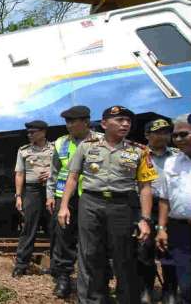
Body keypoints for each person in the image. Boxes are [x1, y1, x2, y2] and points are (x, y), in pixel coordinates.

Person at [58, 105, 156, 303]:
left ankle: (126, 299)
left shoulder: (140, 151)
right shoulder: (87, 146)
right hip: (91, 202)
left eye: (128, 121)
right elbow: (73, 177)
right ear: (104, 124)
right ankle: (92, 300)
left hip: (122, 205)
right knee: (90, 253)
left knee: (124, 255)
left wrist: (145, 219)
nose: (125, 124)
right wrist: (64, 206)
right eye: (119, 120)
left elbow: (145, 187)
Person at [46, 105, 102, 298]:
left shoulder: (101, 141)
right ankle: (63, 278)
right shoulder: (60, 142)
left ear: (86, 122)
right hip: (65, 197)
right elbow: (53, 172)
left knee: (95, 239)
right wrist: (50, 195)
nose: (68, 125)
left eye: (72, 121)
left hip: (92, 195)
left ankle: (95, 280)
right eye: (66, 122)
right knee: (63, 237)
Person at [139, 118, 178, 304]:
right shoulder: (139, 154)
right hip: (145, 207)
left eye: (166, 132)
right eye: (158, 132)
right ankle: (146, 288)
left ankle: (169, 290)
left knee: (169, 250)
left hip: (171, 207)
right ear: (147, 135)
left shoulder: (178, 155)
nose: (163, 136)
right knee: (144, 250)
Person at [155, 113, 191, 304]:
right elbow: (164, 199)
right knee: (186, 284)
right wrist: (161, 228)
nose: (178, 139)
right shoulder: (172, 162)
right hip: (180, 230)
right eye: (175, 135)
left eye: (183, 134)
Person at [12, 120, 54, 277]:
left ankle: (56, 266)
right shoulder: (23, 151)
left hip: (51, 190)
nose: (29, 135)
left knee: (54, 228)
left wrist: (52, 172)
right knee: (29, 227)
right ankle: (21, 264)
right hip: (32, 191)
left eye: (33, 132)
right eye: (28, 133)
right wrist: (18, 196)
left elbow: (65, 167)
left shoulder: (55, 149)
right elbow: (20, 173)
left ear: (43, 132)